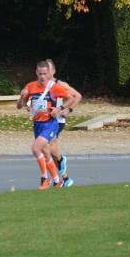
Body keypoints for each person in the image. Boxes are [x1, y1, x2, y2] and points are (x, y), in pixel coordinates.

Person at [17, 61, 77, 190]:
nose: (42, 76)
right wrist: (22, 97)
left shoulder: (54, 87)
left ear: (49, 73)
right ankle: (57, 181)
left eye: (45, 73)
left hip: (50, 124)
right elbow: (19, 106)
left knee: (35, 149)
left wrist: (60, 108)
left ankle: (45, 179)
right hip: (37, 124)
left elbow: (72, 98)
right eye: (40, 74)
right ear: (36, 72)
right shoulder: (30, 86)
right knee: (45, 152)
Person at [45, 59, 82, 187]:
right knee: (49, 150)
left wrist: (68, 110)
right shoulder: (41, 85)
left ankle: (61, 160)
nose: (46, 72)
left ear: (53, 71)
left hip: (58, 120)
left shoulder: (60, 84)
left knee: (48, 147)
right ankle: (65, 179)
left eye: (48, 69)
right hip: (45, 120)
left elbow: (77, 96)